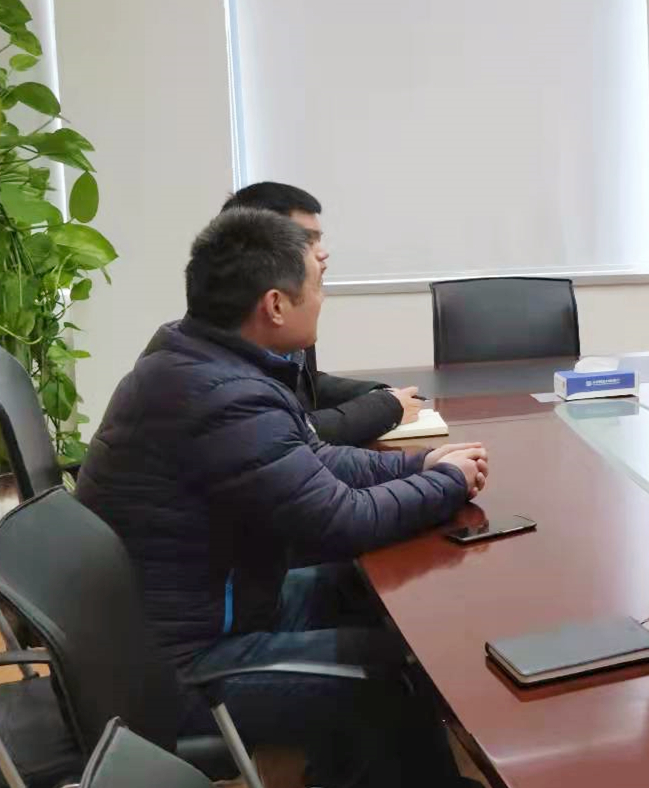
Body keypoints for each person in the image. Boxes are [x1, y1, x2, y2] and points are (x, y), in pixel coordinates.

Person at [76, 208, 488, 788]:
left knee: (358, 590)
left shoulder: (201, 360)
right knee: (394, 675)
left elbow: (313, 461)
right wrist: (446, 484)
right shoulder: (220, 394)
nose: (322, 298)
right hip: (183, 668)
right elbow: (341, 520)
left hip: (206, 611)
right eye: (316, 285)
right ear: (274, 305)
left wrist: (418, 464)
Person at [221, 181, 421, 447]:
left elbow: (307, 383)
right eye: (307, 240)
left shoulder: (292, 310)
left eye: (318, 239)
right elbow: (288, 432)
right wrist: (384, 408)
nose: (323, 253)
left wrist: (378, 393)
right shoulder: (235, 333)